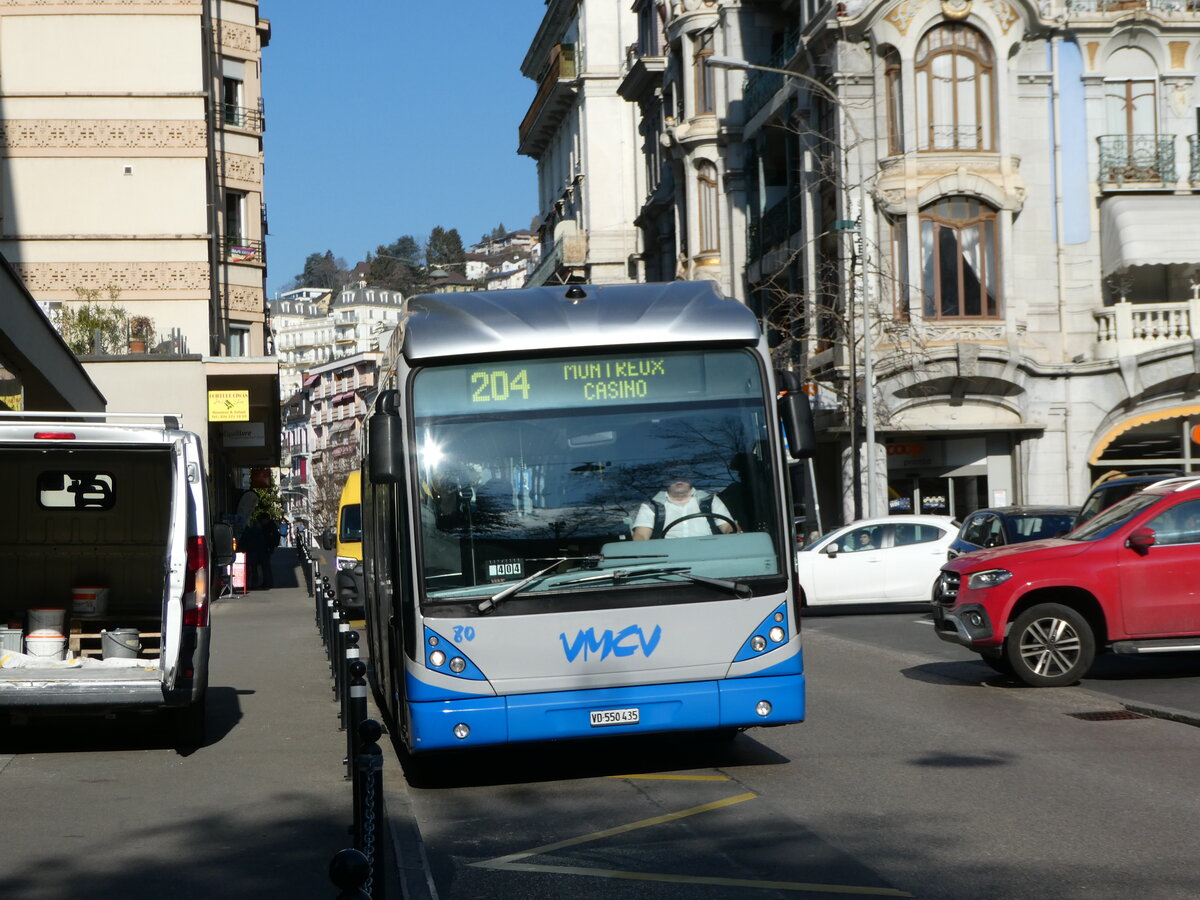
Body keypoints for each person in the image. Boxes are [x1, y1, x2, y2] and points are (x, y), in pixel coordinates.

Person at [631, 474, 736, 540]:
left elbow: (727, 527)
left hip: (710, 553)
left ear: (690, 478)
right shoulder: (651, 505)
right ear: (665, 480)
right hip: (667, 559)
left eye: (683, 475)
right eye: (673, 476)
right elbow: (641, 535)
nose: (679, 479)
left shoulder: (710, 500)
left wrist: (734, 534)